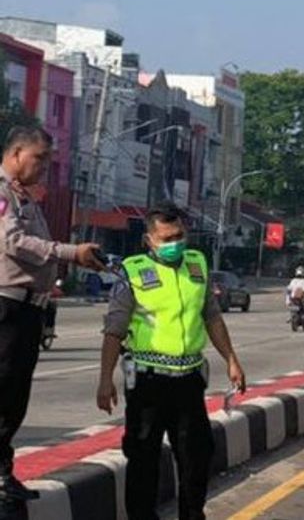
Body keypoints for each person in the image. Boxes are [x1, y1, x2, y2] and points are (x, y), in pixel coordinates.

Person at [96, 203, 246, 520]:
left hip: (189, 380)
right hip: (149, 383)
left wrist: (231, 359)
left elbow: (212, 317)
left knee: (197, 455)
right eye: (166, 238)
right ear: (149, 240)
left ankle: (192, 515)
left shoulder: (197, 264)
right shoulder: (133, 271)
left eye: (179, 235)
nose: (174, 243)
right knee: (143, 458)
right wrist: (104, 378)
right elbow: (114, 331)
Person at [0, 126, 103, 504]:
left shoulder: (24, 197)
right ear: (15, 154)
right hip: (7, 306)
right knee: (4, 389)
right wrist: (67, 252)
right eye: (38, 158)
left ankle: (3, 472)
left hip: (28, 309)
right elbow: (10, 241)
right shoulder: (2, 194)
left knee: (15, 394)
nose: (44, 166)